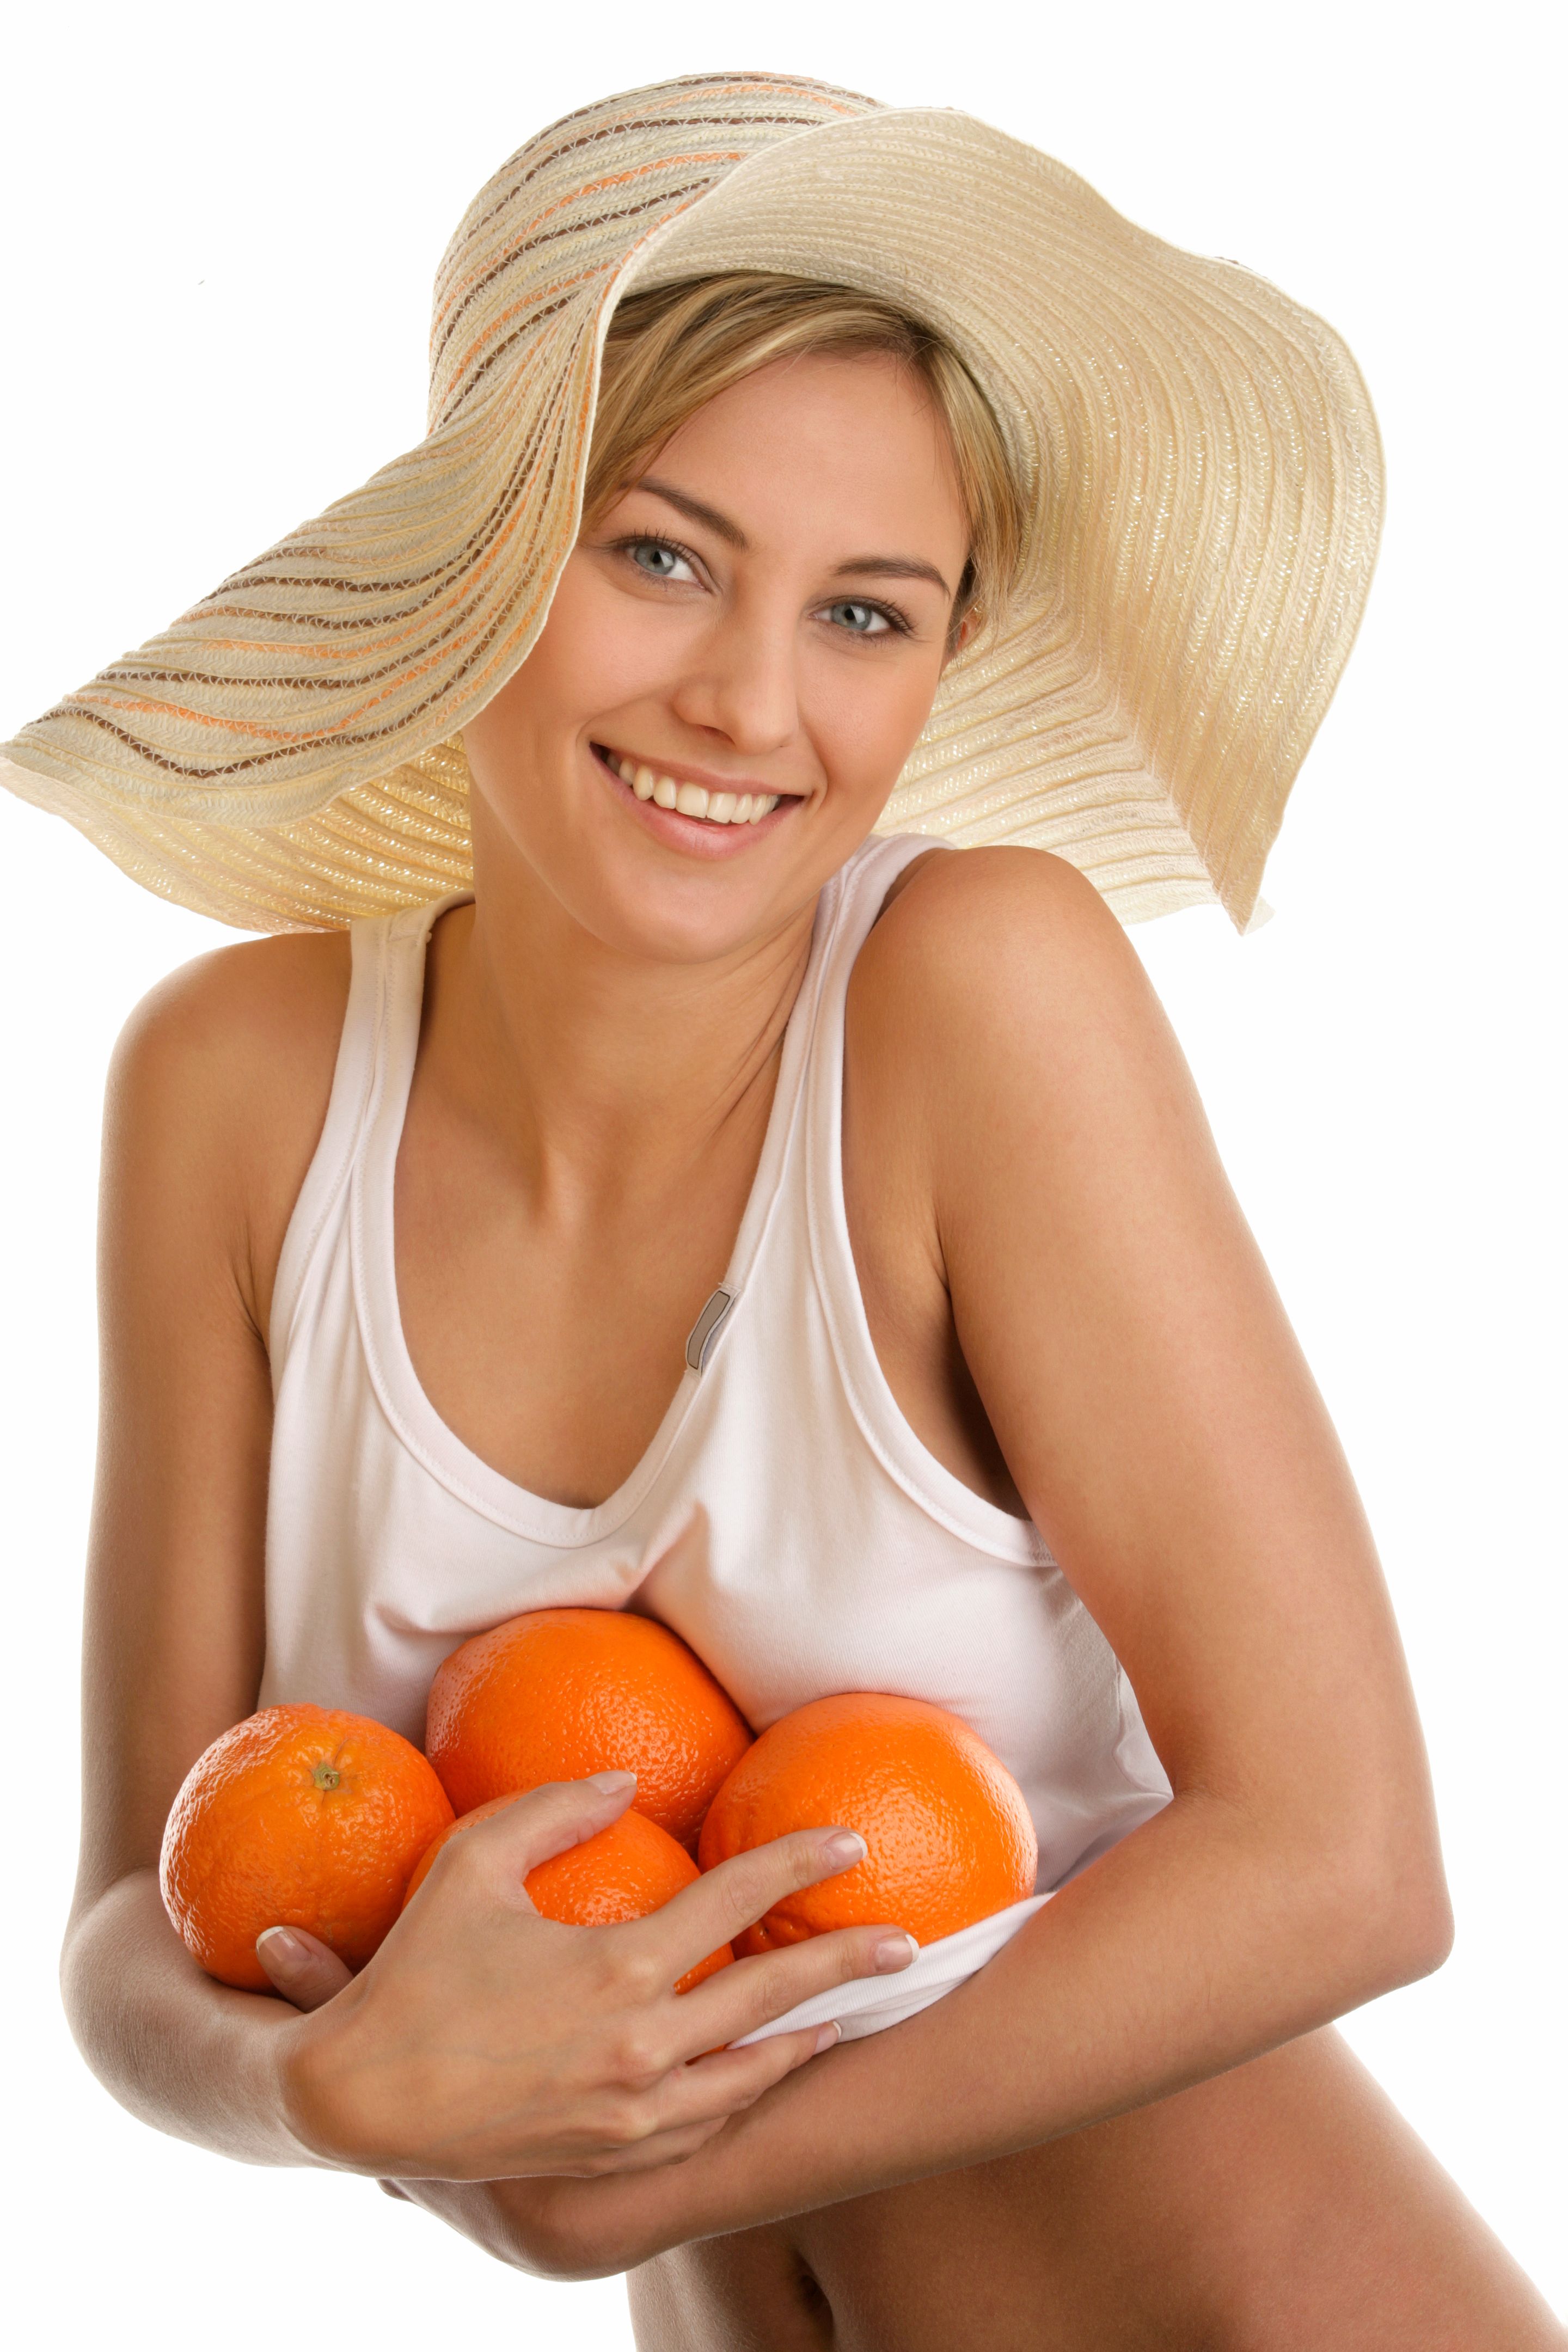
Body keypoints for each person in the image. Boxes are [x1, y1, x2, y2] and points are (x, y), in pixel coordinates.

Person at [7, 70, 1560, 2351]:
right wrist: (323, 2092)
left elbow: (1351, 1865)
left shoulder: (972, 996)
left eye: (870, 611)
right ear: (480, 552)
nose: (751, 704)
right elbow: (139, 1913)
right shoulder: (232, 1095)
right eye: (662, 554)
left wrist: (628, 2173)